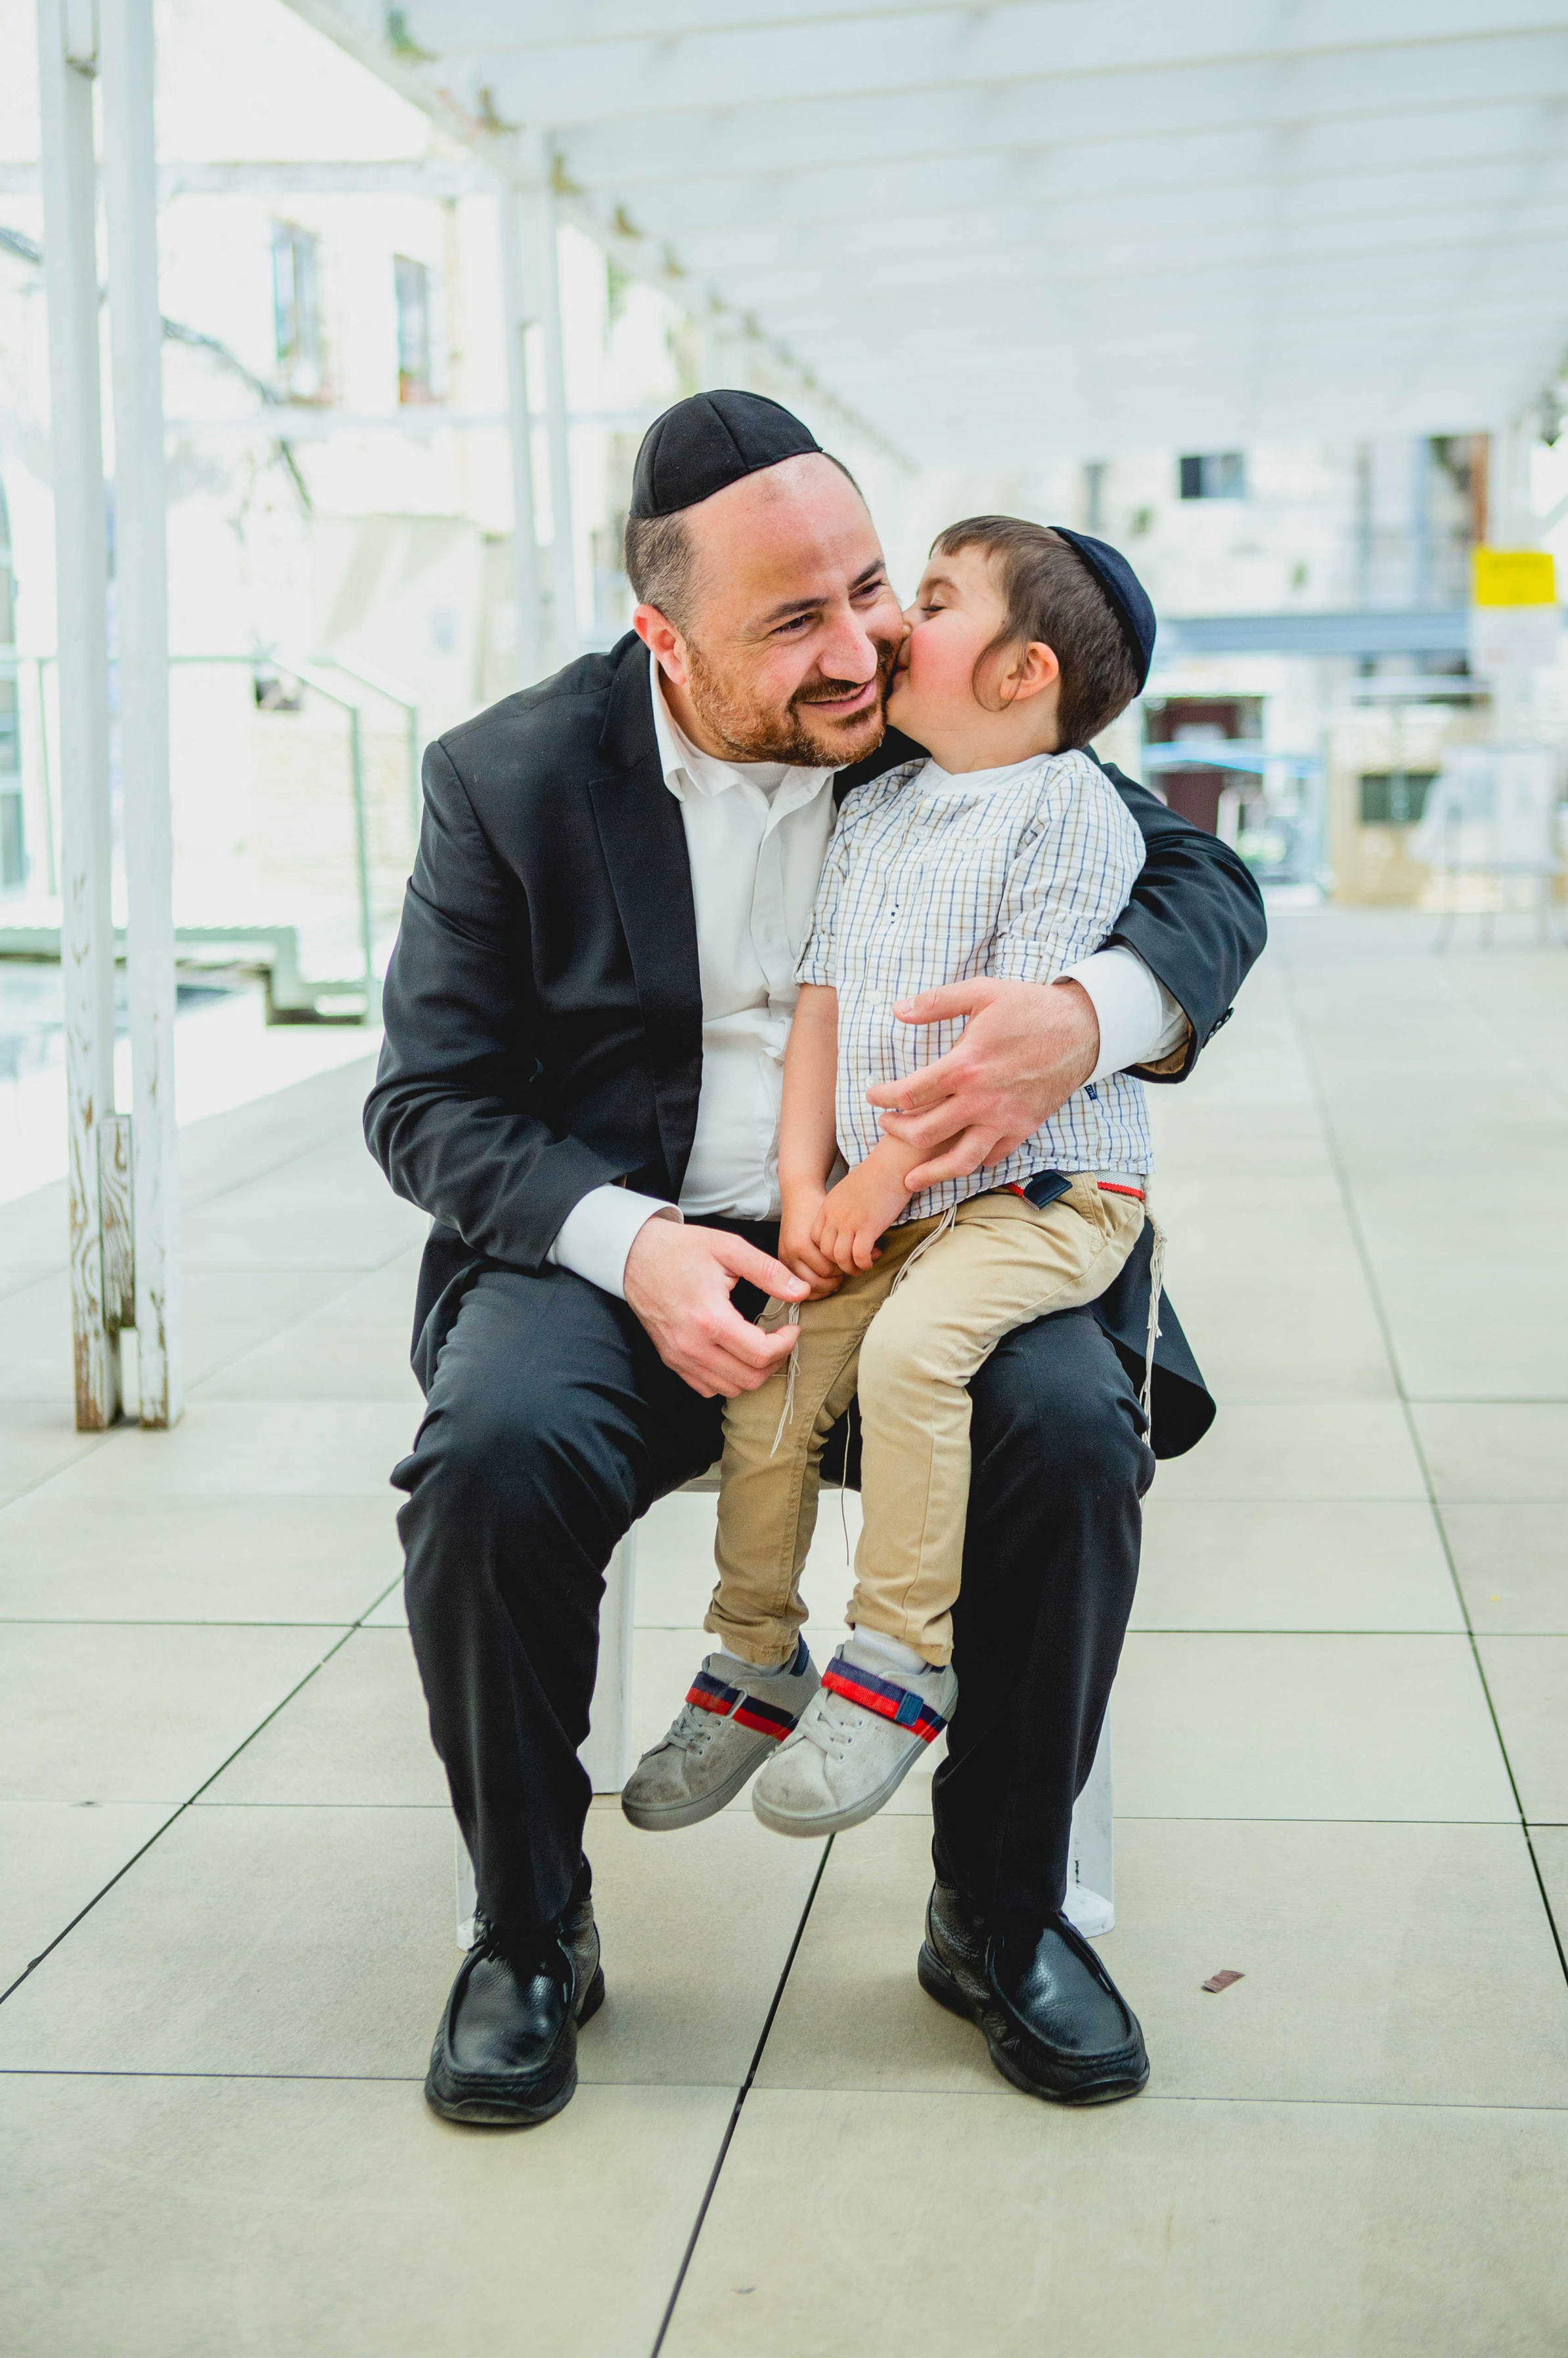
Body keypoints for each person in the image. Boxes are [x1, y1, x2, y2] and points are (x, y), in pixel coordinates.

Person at [366, 389, 1266, 2129]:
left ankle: (999, 1916)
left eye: (870, 585)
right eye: (795, 619)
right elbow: (433, 1101)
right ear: (664, 635)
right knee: (486, 1461)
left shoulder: (940, 708)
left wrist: (1087, 1018)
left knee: (1074, 1435)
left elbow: (1201, 877)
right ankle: (530, 1931)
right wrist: (637, 1252)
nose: (859, 647)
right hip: (627, 1254)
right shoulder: (510, 776)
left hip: (938, 1229)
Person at [622, 516, 1157, 1850]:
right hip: (888, 1197)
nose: (894, 628)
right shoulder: (885, 804)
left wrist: (876, 1189)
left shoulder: (1070, 811)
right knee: (774, 1369)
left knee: (917, 1358)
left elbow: (999, 1064)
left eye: (929, 599)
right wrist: (809, 1193)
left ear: (1024, 672)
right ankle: (753, 1653)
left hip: (1042, 1196)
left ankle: (896, 1658)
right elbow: (822, 1007)